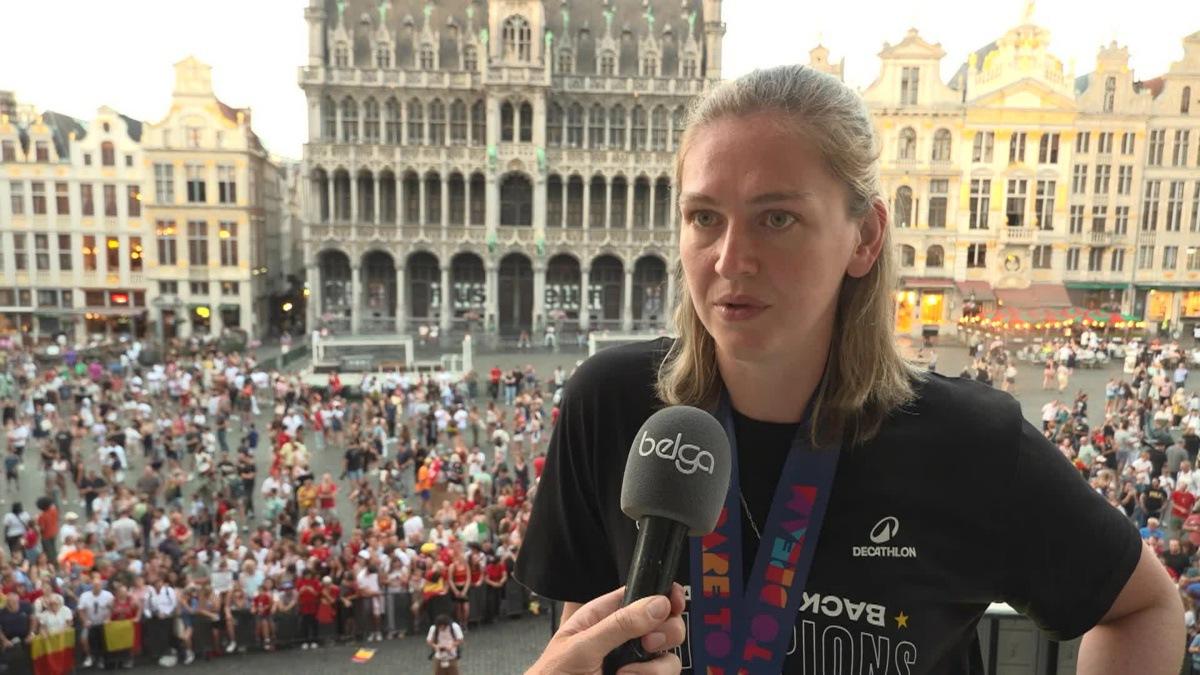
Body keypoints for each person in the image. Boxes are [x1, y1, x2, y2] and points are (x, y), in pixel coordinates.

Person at [515, 65, 1183, 673]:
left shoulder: (970, 443)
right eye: (704, 217)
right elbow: (587, 632)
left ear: (864, 237)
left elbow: (1146, 607)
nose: (729, 258)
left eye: (776, 218)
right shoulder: (611, 406)